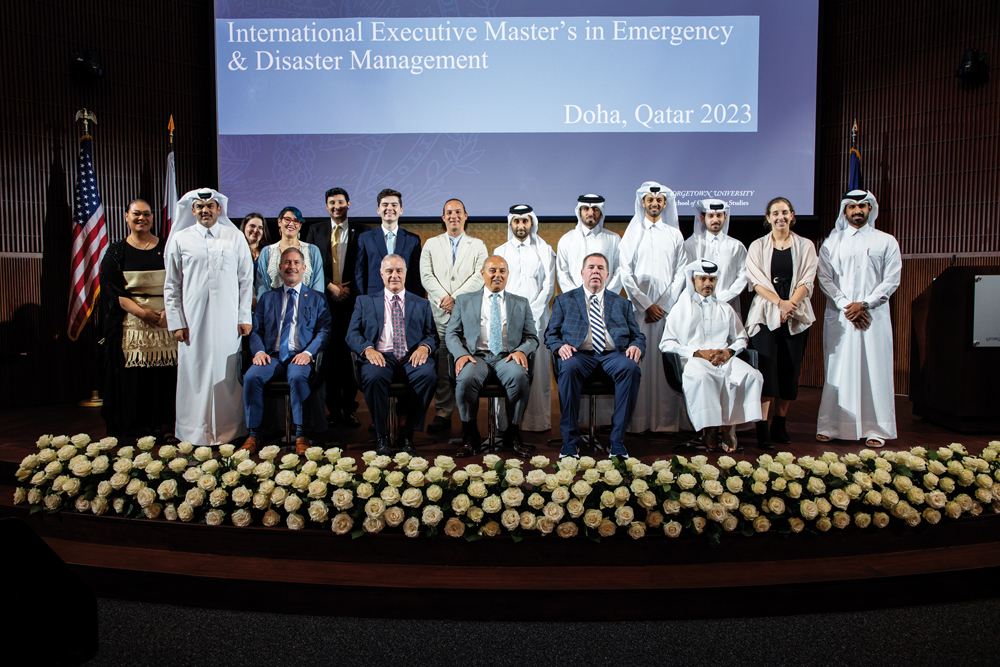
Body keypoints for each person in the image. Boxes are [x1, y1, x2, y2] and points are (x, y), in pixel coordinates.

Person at [164, 188, 254, 446]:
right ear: (192, 210)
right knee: (195, 373)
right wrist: (177, 322)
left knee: (227, 374)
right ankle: (194, 431)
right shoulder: (180, 239)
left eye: (210, 206)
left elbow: (246, 280)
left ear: (219, 209)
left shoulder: (234, 236)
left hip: (229, 323)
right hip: (193, 322)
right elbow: (172, 285)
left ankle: (230, 430)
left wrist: (244, 316)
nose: (205, 210)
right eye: (200, 207)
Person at [816, 190, 901, 447]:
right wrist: (846, 305)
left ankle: (878, 429)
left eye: (863, 206)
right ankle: (831, 426)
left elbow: (891, 279)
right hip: (841, 317)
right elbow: (825, 278)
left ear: (871, 209)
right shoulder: (832, 242)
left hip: (872, 317)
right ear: (844, 211)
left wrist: (864, 304)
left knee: (875, 370)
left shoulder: (886, 241)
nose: (857, 211)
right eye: (852, 207)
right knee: (838, 371)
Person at [545, 253, 645, 459]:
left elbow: (638, 335)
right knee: (569, 367)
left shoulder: (622, 303)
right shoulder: (564, 300)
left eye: (600, 268)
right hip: (579, 354)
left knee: (631, 367)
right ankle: (570, 443)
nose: (595, 272)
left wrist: (636, 346)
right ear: (582, 273)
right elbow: (551, 334)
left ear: (607, 274)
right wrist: (560, 346)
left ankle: (616, 443)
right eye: (591, 267)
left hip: (612, 355)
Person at [660, 259, 763, 452]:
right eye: (703, 279)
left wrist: (729, 351)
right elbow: (666, 343)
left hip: (725, 360)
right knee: (703, 378)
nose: (708, 284)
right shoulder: (681, 308)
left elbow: (741, 338)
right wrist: (697, 352)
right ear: (693, 281)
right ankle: (710, 429)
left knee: (752, 376)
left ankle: (729, 427)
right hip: (695, 361)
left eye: (712, 280)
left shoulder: (725, 308)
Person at [240, 248, 331, 455]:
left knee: (298, 378)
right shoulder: (267, 298)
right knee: (251, 377)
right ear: (280, 268)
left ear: (304, 268)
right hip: (271, 357)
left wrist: (308, 353)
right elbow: (256, 330)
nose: (292, 266)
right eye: (287, 263)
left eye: (296, 262)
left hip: (300, 356)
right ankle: (254, 435)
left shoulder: (317, 298)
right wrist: (259, 351)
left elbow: (324, 331)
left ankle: (301, 434)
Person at [99, 198, 177, 439]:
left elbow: (182, 283)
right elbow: (112, 290)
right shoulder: (116, 251)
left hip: (167, 320)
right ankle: (138, 427)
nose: (142, 218)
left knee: (166, 378)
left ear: (153, 218)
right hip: (133, 322)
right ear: (126, 217)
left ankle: (167, 426)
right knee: (137, 378)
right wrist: (143, 313)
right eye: (136, 214)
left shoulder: (168, 247)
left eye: (146, 214)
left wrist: (167, 311)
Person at [745, 197, 818, 449]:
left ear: (792, 215)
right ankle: (762, 427)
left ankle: (780, 423)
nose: (780, 217)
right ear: (768, 218)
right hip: (765, 315)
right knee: (765, 372)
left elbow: (808, 279)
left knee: (790, 371)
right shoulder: (756, 246)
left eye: (785, 212)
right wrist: (779, 303)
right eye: (775, 213)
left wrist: (790, 305)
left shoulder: (806, 245)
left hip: (796, 314)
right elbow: (755, 281)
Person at [447, 256, 537, 458]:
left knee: (519, 377)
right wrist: (460, 354)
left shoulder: (521, 303)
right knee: (466, 378)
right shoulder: (464, 300)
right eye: (492, 270)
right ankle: (470, 435)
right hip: (476, 356)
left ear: (507, 274)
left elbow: (532, 336)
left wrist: (522, 350)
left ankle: (512, 434)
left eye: (502, 271)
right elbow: (451, 333)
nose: (497, 275)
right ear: (482, 274)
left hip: (507, 356)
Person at [347, 254, 437, 456]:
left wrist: (424, 347)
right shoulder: (364, 301)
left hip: (410, 355)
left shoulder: (421, 303)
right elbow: (351, 334)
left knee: (428, 375)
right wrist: (367, 349)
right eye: (389, 271)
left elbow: (432, 335)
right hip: (379, 354)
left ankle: (407, 434)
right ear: (381, 274)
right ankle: (382, 436)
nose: (394, 275)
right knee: (373, 377)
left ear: (406, 273)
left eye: (399, 271)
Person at [618, 181, 687, 433]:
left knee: (665, 364)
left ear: (665, 203)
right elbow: (625, 273)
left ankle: (665, 422)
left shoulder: (674, 234)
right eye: (650, 200)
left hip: (667, 314)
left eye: (659, 200)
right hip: (639, 314)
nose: (654, 204)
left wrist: (664, 305)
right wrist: (647, 305)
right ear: (643, 203)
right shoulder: (632, 233)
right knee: (640, 365)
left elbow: (681, 272)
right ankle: (637, 421)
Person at [419, 199, 488, 434]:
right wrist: (443, 298)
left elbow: (480, 277)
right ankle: (443, 413)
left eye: (458, 212)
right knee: (441, 366)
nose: (453, 216)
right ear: (443, 217)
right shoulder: (430, 244)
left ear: (466, 216)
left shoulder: (478, 245)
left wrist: (455, 298)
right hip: (438, 312)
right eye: (449, 212)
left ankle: (468, 416)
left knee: (466, 363)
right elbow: (426, 276)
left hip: (467, 313)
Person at [304, 187, 370, 428]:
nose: (336, 206)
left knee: (350, 356)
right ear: (326, 206)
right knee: (330, 358)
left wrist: (353, 293)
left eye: (340, 202)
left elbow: (365, 266)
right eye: (331, 203)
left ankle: (350, 409)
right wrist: (330, 287)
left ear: (349, 204)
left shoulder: (362, 231)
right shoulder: (316, 230)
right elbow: (310, 267)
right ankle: (332, 409)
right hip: (325, 303)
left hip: (353, 303)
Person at [493, 204, 556, 432]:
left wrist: (530, 315)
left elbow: (548, 288)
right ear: (511, 224)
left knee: (536, 373)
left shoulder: (545, 250)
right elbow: (496, 286)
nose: (521, 226)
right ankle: (506, 424)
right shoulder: (501, 251)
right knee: (508, 368)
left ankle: (536, 422)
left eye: (525, 221)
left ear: (532, 223)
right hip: (506, 322)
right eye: (516, 222)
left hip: (537, 321)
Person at [684, 199, 748, 315]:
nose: (715, 220)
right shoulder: (691, 244)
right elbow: (687, 276)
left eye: (719, 215)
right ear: (703, 218)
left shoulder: (736, 246)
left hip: (729, 306)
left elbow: (744, 275)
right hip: (699, 307)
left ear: (725, 217)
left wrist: (726, 297)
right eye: (711, 216)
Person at [355, 188, 424, 297]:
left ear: (401, 210)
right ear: (378, 209)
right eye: (385, 205)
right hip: (373, 299)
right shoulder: (365, 238)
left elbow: (417, 277)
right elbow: (360, 274)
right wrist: (361, 301)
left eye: (394, 205)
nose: (389, 208)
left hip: (405, 299)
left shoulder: (412, 240)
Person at [556, 194, 623, 294]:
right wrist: (576, 298)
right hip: (575, 303)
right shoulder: (567, 240)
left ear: (601, 213)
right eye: (586, 209)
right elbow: (562, 273)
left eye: (595, 209)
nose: (591, 213)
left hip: (606, 302)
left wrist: (606, 296)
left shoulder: (613, 239)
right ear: (579, 212)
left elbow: (619, 270)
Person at [255, 206, 325, 299]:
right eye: (287, 219)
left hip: (306, 309)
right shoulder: (267, 252)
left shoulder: (312, 251)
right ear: (279, 222)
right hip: (274, 309)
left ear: (300, 225)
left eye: (296, 221)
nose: (291, 223)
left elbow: (318, 287)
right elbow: (261, 287)